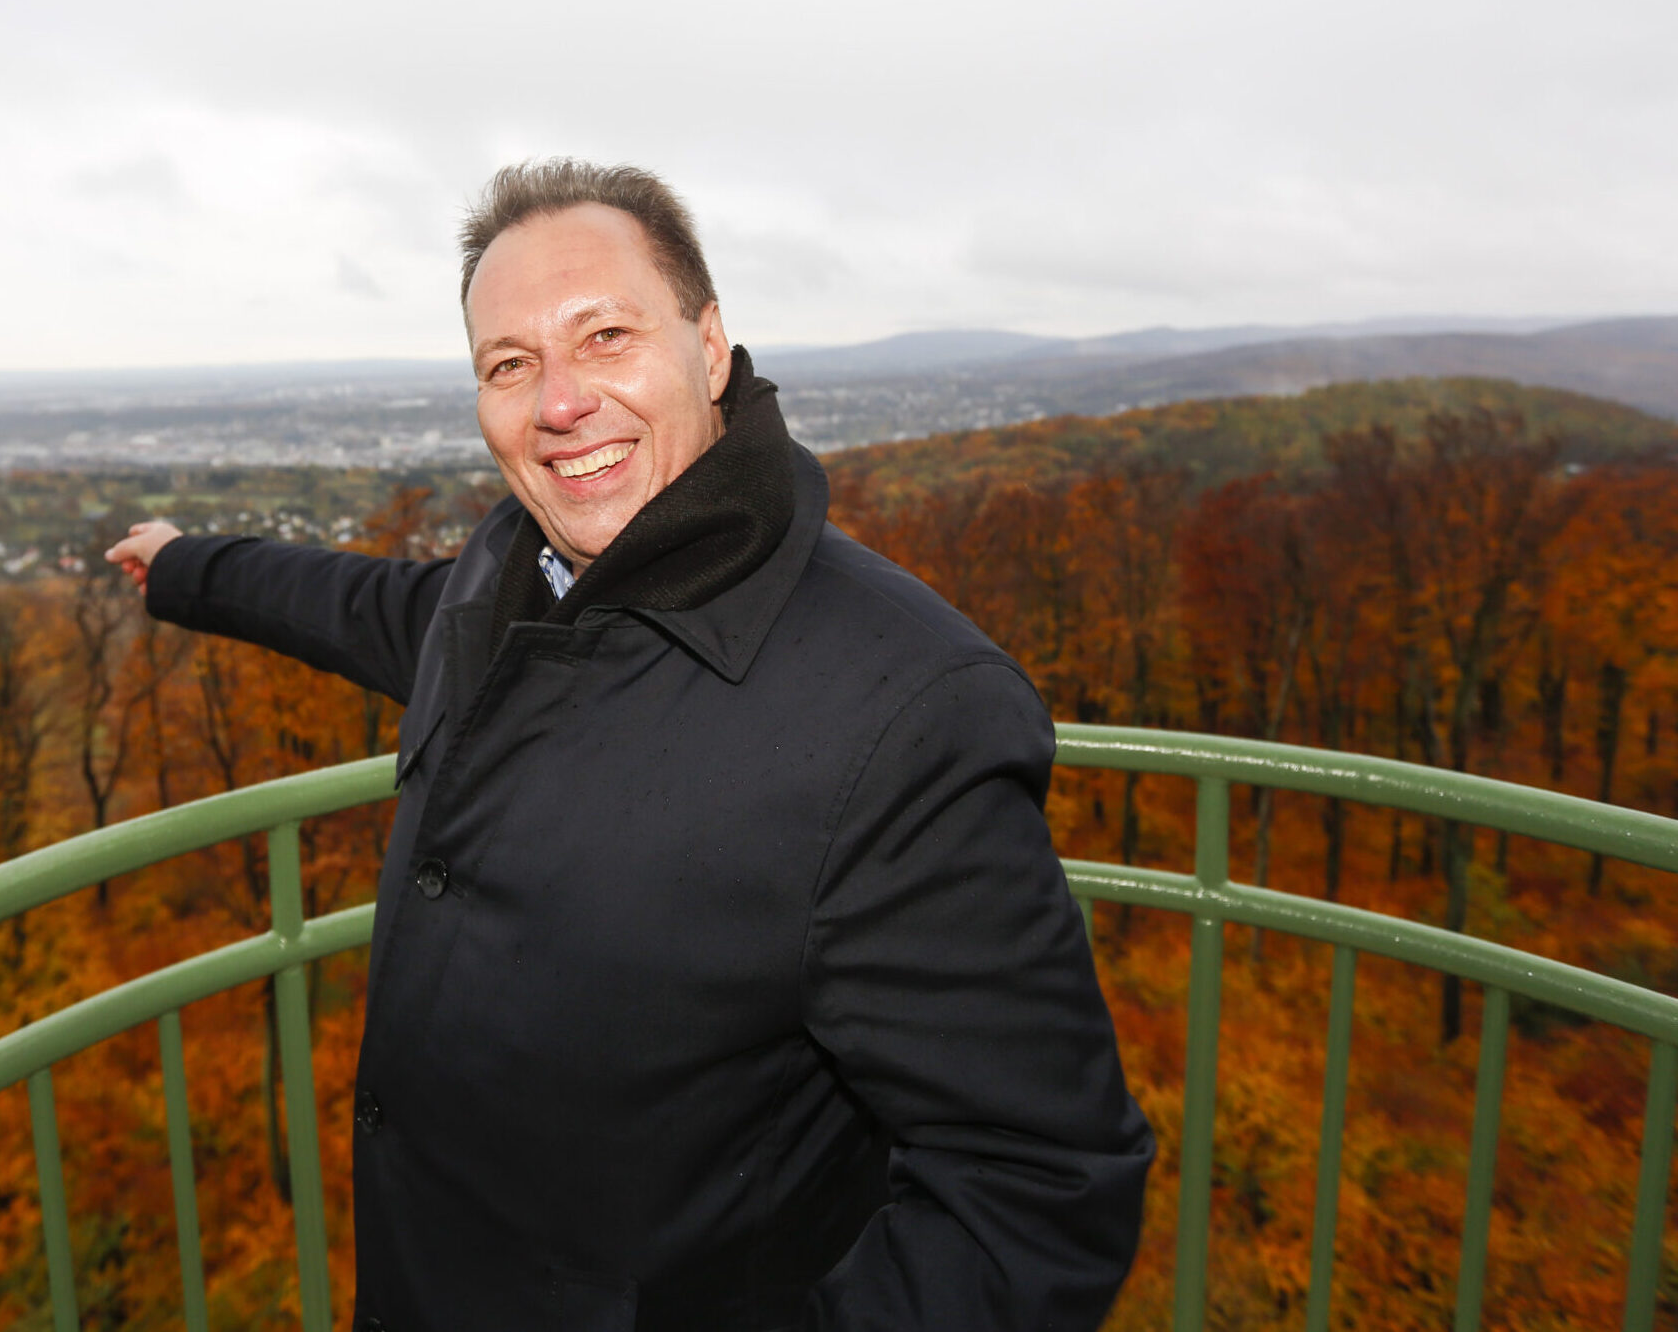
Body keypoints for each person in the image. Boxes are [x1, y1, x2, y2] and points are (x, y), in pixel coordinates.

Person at [106, 159, 1152, 1331]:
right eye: (510, 364)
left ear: (707, 347)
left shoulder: (899, 706)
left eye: (604, 336)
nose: (559, 403)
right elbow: (368, 606)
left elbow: (1036, 1189)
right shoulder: (506, 577)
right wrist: (186, 566)